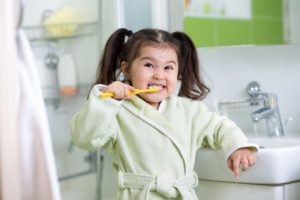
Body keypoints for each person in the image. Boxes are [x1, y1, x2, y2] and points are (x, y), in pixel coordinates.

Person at [71, 28, 258, 199]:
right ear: (126, 69)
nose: (159, 75)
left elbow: (220, 127)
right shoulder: (116, 111)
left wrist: (238, 146)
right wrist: (106, 100)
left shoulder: (190, 110)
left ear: (177, 71)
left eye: (168, 67)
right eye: (149, 65)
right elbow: (83, 138)